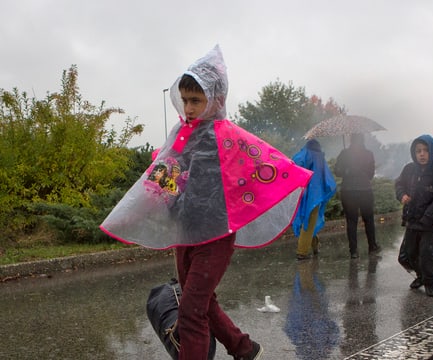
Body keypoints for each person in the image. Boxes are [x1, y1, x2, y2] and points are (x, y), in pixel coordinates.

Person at [100, 45, 313, 360]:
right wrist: (136, 209)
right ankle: (243, 347)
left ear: (217, 100)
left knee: (190, 311)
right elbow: (164, 179)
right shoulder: (180, 134)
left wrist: (295, 176)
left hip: (216, 235)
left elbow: (264, 164)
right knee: (198, 300)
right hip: (185, 230)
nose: (188, 108)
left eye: (196, 101)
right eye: (185, 100)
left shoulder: (230, 138)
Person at [395, 135, 433, 297]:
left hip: (430, 222)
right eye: (418, 151)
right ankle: (420, 275)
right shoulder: (409, 169)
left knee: (426, 252)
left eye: (425, 150)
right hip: (412, 218)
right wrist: (402, 195)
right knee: (407, 254)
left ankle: (430, 282)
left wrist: (431, 213)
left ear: (432, 151)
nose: (422, 154)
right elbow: (399, 184)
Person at [334, 133, 380, 259]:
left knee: (351, 221)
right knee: (369, 219)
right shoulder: (369, 154)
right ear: (363, 140)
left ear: (351, 140)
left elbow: (337, 171)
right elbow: (371, 175)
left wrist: (346, 170)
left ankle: (353, 251)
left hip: (348, 191)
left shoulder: (344, 154)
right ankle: (372, 246)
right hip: (365, 190)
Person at [291, 139, 337, 260]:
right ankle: (302, 252)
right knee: (310, 221)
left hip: (302, 192)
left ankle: (314, 245)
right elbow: (325, 177)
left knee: (307, 220)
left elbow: (293, 167)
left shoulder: (302, 154)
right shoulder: (319, 157)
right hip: (315, 195)